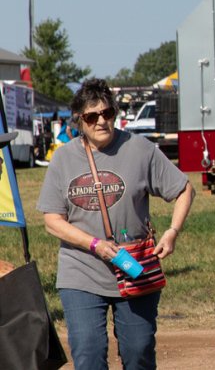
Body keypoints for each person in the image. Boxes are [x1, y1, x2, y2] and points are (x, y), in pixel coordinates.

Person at [39, 78, 195, 370]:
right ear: (79, 121)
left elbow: (185, 189)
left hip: (135, 267)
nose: (101, 121)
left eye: (107, 113)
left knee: (139, 353)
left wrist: (172, 232)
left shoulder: (140, 149)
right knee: (88, 354)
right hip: (81, 270)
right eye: (92, 116)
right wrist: (94, 245)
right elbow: (51, 220)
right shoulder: (63, 158)